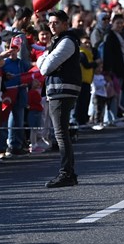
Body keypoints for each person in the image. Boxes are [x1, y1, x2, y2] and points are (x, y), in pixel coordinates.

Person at [38, 10, 82, 188]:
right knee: (61, 133)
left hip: (63, 91)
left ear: (65, 23)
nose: (52, 25)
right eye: (50, 23)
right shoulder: (58, 41)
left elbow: (45, 67)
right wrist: (45, 58)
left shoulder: (67, 42)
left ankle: (66, 174)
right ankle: (68, 172)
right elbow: (44, 61)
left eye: (56, 22)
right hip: (59, 91)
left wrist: (44, 59)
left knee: (61, 134)